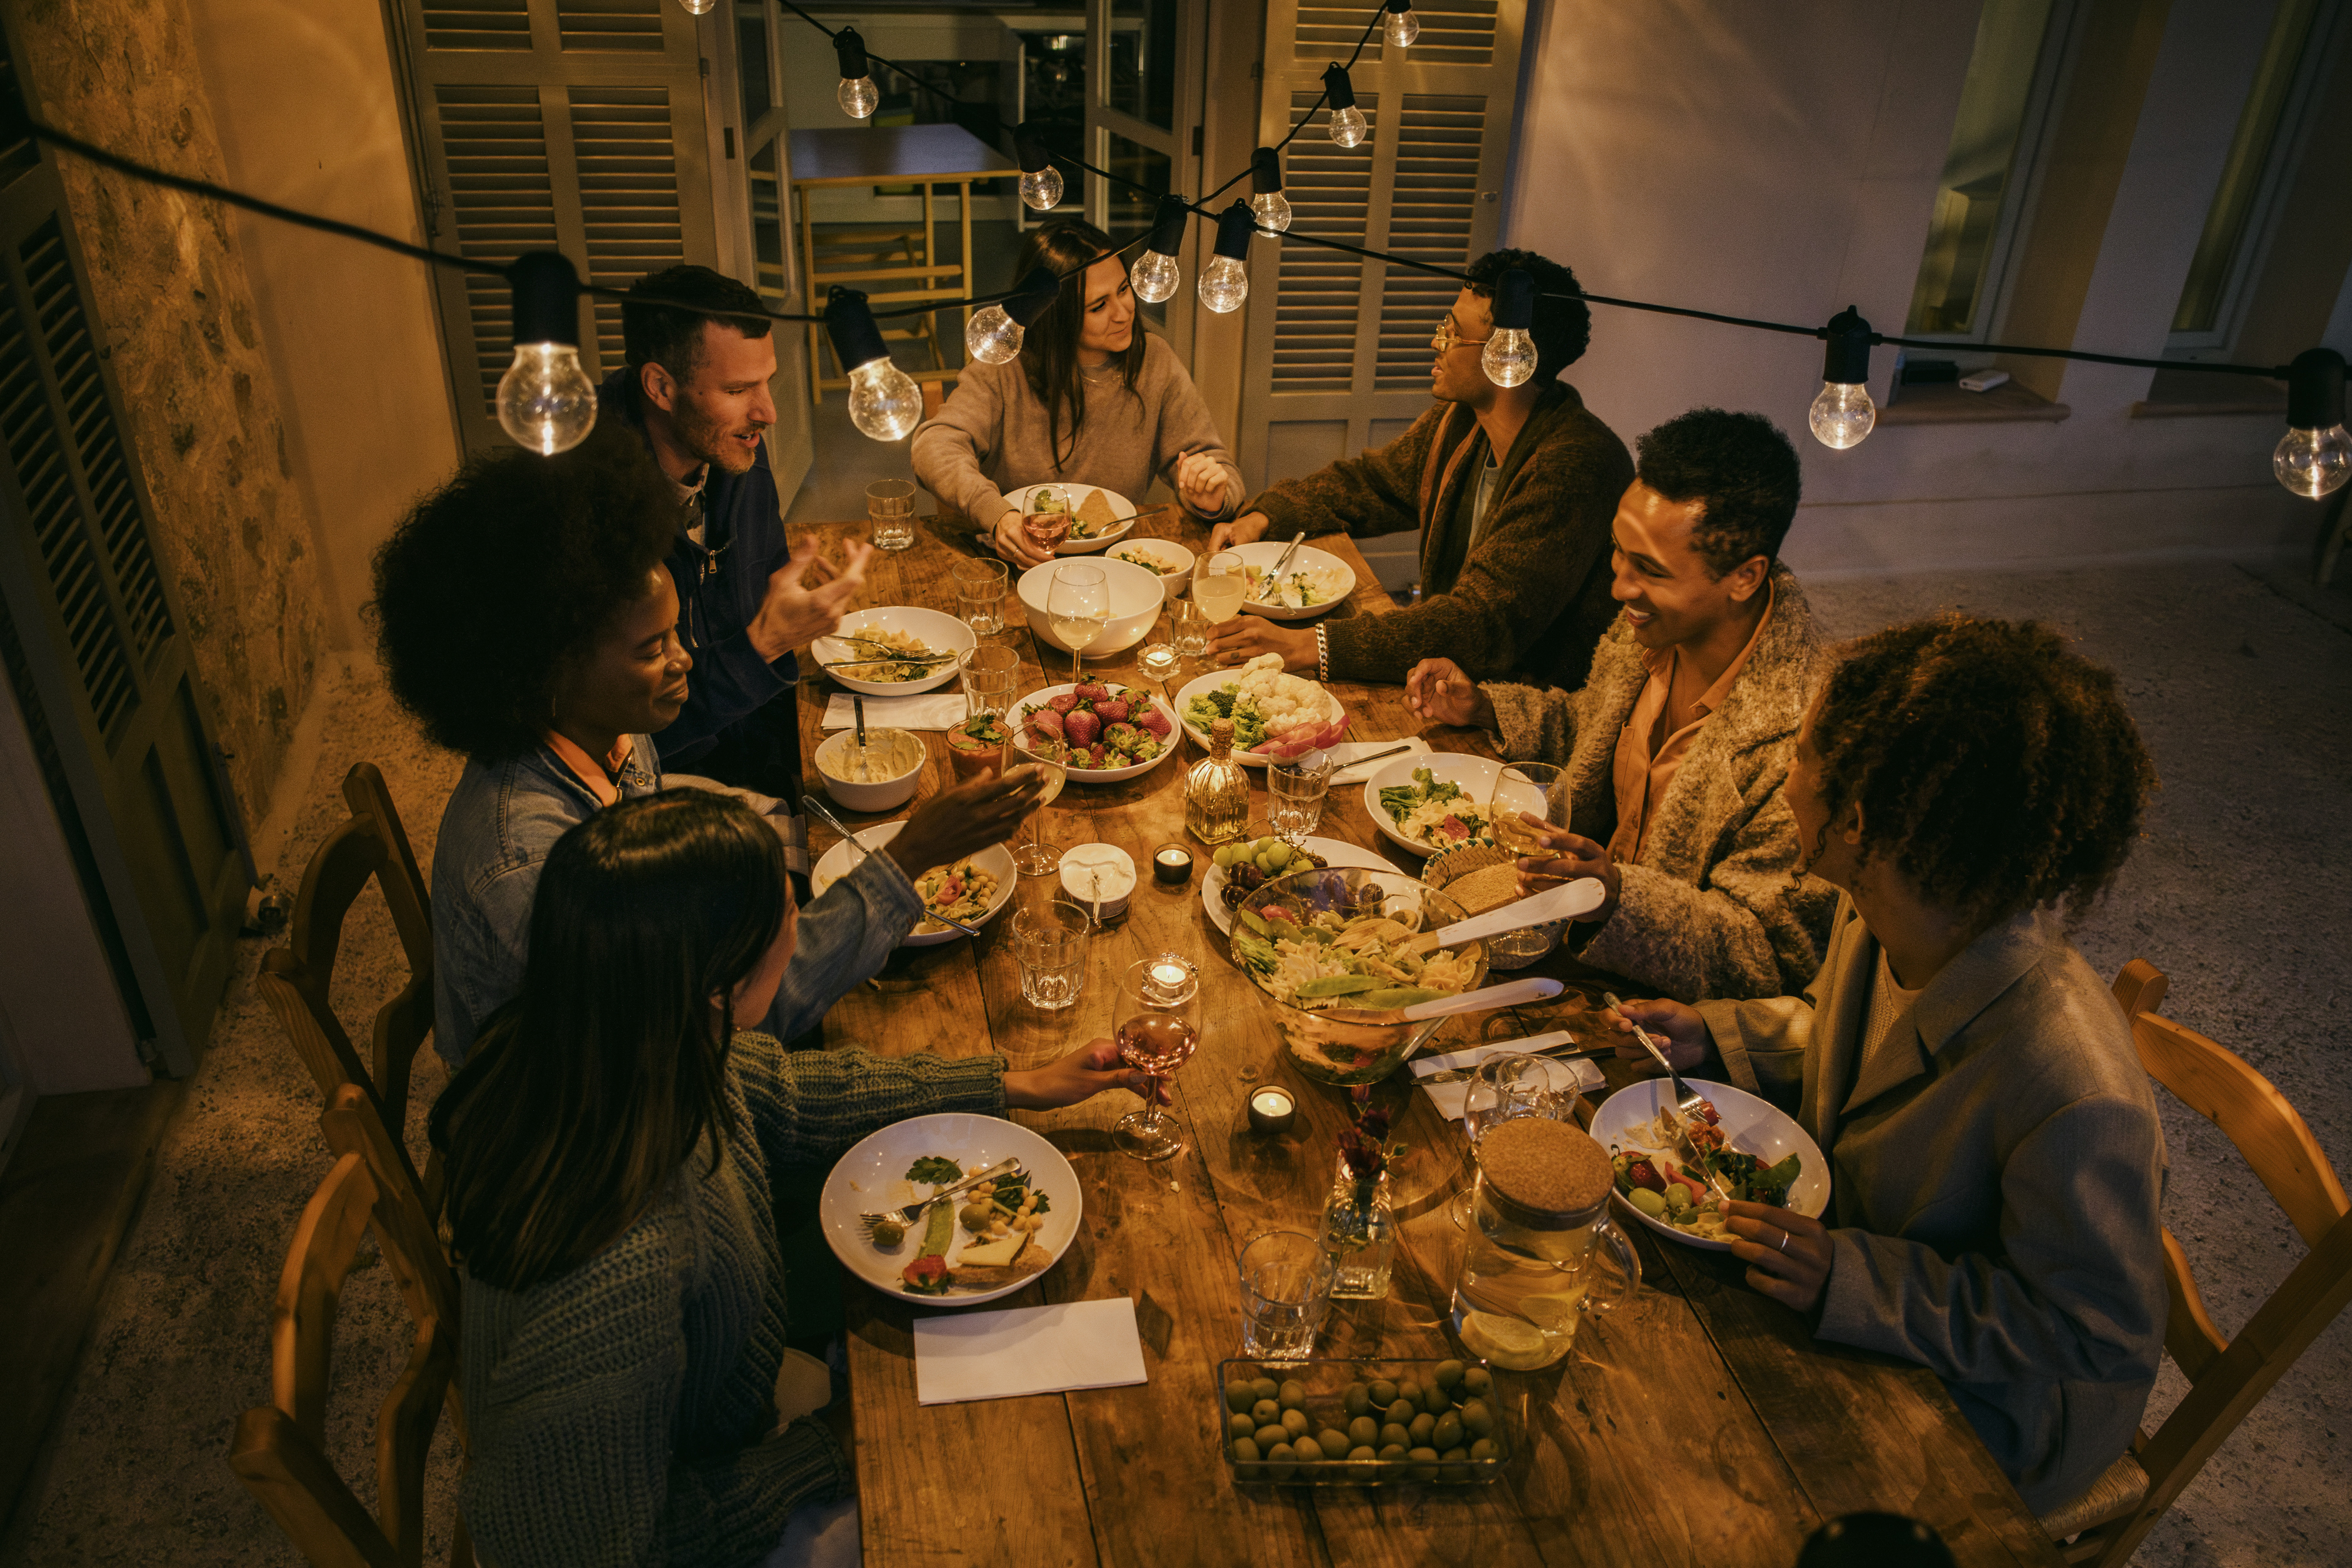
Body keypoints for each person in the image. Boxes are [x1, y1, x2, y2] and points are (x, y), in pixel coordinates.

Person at [435, 790, 1162, 1568]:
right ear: (726, 984)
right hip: (685, 1507)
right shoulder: (622, 1264)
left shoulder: (618, 1025)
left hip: (706, 1410)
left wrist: (1016, 1083)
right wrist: (826, 1448)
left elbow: (787, 1094)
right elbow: (606, 1549)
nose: (801, 926)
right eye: (789, 916)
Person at [1607, 616, 2167, 1516]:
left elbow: (2093, 1336)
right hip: (1844, 1271)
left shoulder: (2076, 1086)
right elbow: (1851, 1037)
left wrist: (1854, 1280)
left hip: (1981, 1410)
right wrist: (1720, 1036)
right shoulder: (1883, 904)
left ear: (1855, 820)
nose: (1785, 774)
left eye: (1799, 752)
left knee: (1689, 1478)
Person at [372, 427, 1039, 1066]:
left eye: (673, 634)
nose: (683, 658)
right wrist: (913, 852)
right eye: (650, 649)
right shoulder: (530, 867)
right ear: (548, 670)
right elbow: (722, 1034)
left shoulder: (603, 732)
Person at [1405, 409, 1833, 1001]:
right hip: (1561, 944)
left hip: (1659, 1024)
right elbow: (1594, 730)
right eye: (1618, 550)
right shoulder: (1650, 633)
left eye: (1649, 570)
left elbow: (1769, 954)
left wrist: (1618, 897)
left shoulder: (1807, 737)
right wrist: (1485, 707)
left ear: (1744, 576)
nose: (1619, 586)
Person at [1204, 247, 1632, 686]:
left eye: (1452, 333)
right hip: (1447, 685)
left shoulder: (1574, 466)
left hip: (1520, 713)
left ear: (1508, 354)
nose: (1436, 343)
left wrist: (1309, 646)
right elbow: (1370, 486)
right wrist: (1266, 515)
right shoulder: (1463, 422)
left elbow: (1478, 623)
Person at [600, 264, 866, 841]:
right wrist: (766, 642)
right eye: (738, 390)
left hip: (759, 755)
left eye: (765, 382)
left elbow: (755, 604)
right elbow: (626, 744)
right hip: (653, 807)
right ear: (661, 387)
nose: (767, 413)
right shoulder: (592, 508)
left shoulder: (729, 450)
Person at [913, 218, 1245, 566]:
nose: (1123, 313)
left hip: (1116, 563)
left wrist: (1211, 495)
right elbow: (935, 446)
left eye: (1123, 289)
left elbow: (1215, 465)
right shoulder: (1006, 364)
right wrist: (997, 513)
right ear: (1056, 314)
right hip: (1020, 562)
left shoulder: (1154, 360)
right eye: (1098, 307)